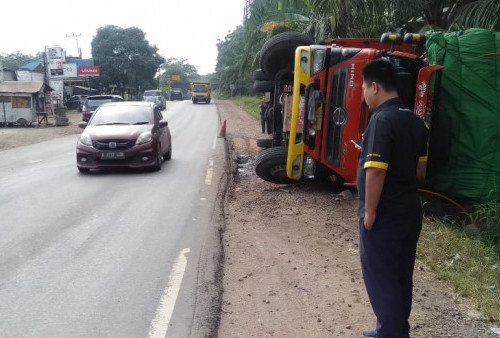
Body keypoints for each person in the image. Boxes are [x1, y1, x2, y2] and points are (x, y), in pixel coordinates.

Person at [356, 59, 428, 338]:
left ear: (374, 87)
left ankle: (390, 333)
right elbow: (420, 170)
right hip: (409, 210)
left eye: (363, 86)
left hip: (384, 215)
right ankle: (394, 328)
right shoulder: (415, 120)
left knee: (381, 278)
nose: (363, 93)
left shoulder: (382, 120)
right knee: (400, 276)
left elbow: (375, 170)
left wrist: (370, 213)